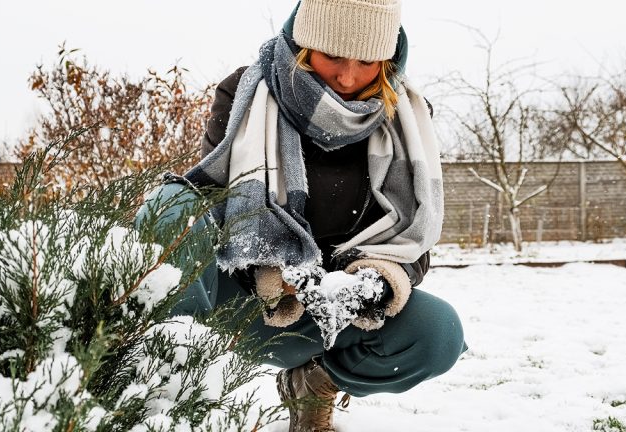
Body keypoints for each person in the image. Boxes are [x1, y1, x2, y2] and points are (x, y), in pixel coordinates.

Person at [136, 1, 466, 430]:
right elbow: (211, 204)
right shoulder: (245, 93)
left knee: (439, 332)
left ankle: (313, 386)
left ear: (388, 59)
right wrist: (272, 267)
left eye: (367, 61)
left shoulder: (409, 123)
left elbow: (414, 242)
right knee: (171, 203)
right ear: (304, 46)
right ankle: (167, 386)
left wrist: (366, 285)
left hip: (332, 313)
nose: (348, 77)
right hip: (243, 303)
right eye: (332, 56)